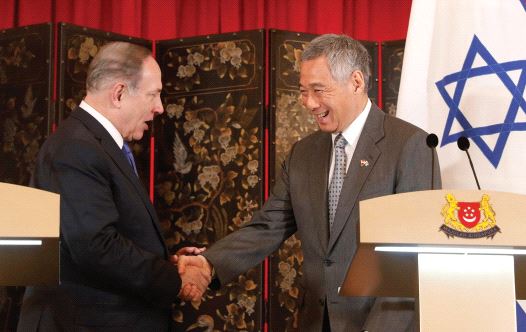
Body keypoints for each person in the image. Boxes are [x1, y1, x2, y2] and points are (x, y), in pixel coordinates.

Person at [178, 34, 441, 332]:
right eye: (303, 91)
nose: (309, 103)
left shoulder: (410, 145)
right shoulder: (304, 152)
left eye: (318, 90)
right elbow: (268, 226)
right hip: (316, 321)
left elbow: (416, 254)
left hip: (378, 322)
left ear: (356, 82)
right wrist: (209, 264)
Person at [17, 42, 210, 331]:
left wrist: (166, 262)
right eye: (154, 94)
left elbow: (107, 235)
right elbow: (96, 246)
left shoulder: (94, 143)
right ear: (119, 93)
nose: (159, 107)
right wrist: (175, 279)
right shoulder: (76, 147)